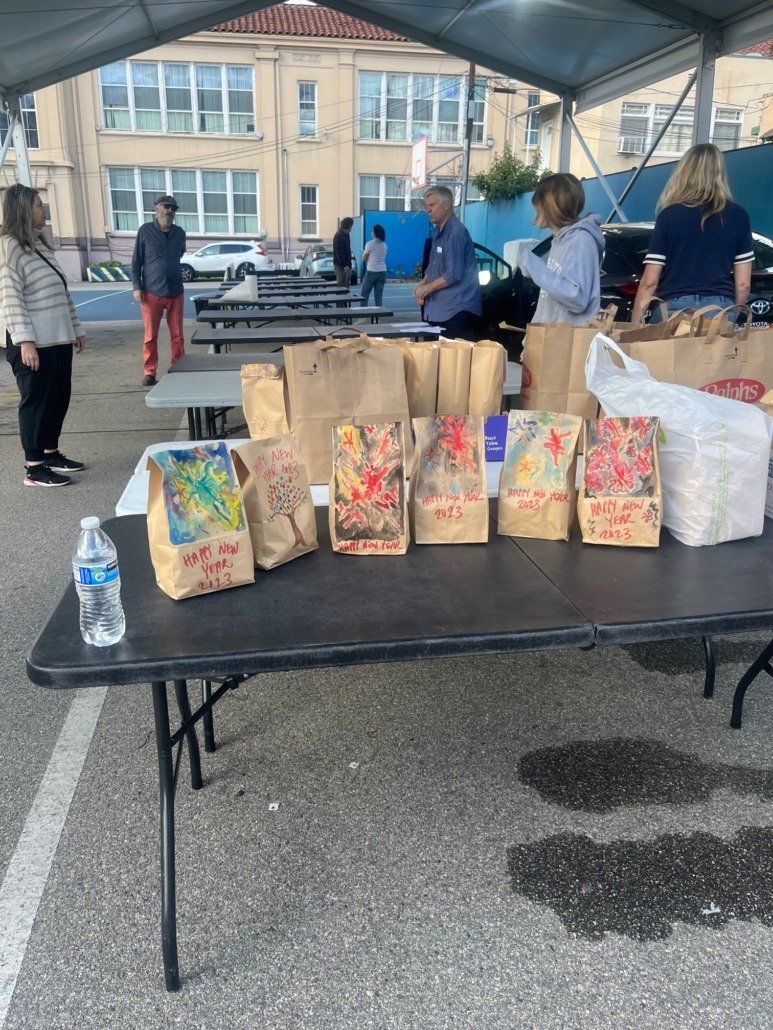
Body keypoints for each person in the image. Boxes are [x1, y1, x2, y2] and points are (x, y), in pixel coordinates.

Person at [1, 183, 86, 487]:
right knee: (36, 401)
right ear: (23, 209)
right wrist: (25, 341)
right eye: (39, 205)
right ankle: (34, 467)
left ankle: (50, 453)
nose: (43, 210)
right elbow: (10, 297)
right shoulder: (9, 247)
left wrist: (76, 329)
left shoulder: (37, 247)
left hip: (57, 339)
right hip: (33, 343)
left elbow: (61, 291)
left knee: (58, 398)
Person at [631, 143, 753, 323]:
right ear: (720, 173)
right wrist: (731, 318)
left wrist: (634, 326)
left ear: (684, 173)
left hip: (673, 309)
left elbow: (649, 282)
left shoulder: (669, 216)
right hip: (719, 309)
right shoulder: (738, 216)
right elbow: (743, 285)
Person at [517, 173, 604, 325]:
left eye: (538, 210)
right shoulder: (560, 241)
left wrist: (534, 266)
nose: (535, 215)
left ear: (551, 207)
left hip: (567, 343)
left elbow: (576, 297)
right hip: (552, 339)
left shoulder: (581, 241)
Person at [131, 194, 187, 386]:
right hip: (151, 292)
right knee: (150, 336)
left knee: (178, 335)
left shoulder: (180, 233)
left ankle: (179, 367)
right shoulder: (145, 231)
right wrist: (137, 287)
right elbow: (136, 262)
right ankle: (149, 371)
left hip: (175, 290)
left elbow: (180, 253)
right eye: (166, 207)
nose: (170, 211)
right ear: (156, 209)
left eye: (173, 208)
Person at [413, 185, 482, 340]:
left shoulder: (456, 233)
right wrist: (422, 283)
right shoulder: (439, 233)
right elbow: (432, 268)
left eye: (432, 205)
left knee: (450, 363)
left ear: (446, 205)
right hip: (438, 311)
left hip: (455, 313)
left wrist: (427, 288)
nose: (428, 210)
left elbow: (453, 274)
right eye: (426, 206)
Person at [360, 224, 387, 306]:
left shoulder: (369, 244)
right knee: (378, 296)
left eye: (372, 231)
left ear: (375, 232)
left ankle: (362, 317)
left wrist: (364, 254)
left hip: (371, 271)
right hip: (382, 271)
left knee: (364, 294)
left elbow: (364, 259)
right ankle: (378, 317)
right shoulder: (384, 245)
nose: (371, 233)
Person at [332, 216, 354, 287]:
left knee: (346, 286)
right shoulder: (339, 235)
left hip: (347, 265)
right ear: (350, 226)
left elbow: (348, 250)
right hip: (341, 266)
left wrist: (349, 265)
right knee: (341, 286)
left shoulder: (346, 235)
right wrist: (345, 266)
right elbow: (339, 253)